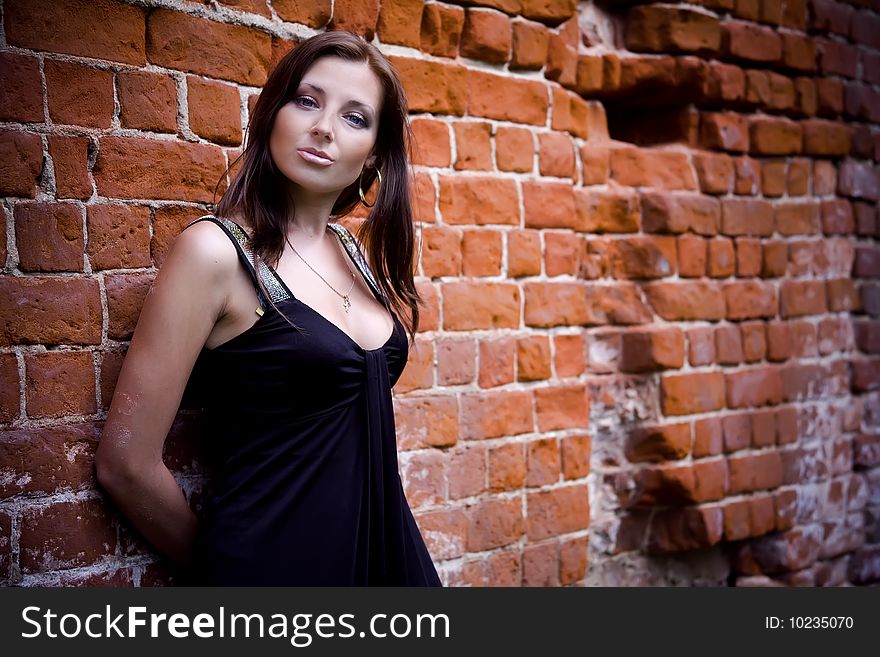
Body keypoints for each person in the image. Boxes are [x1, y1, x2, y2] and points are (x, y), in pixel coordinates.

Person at [95, 30, 442, 586]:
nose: (323, 127)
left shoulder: (353, 254)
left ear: (374, 153)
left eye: (356, 117)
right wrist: (230, 573)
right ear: (274, 114)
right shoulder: (215, 252)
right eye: (307, 101)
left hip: (385, 558)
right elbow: (125, 464)